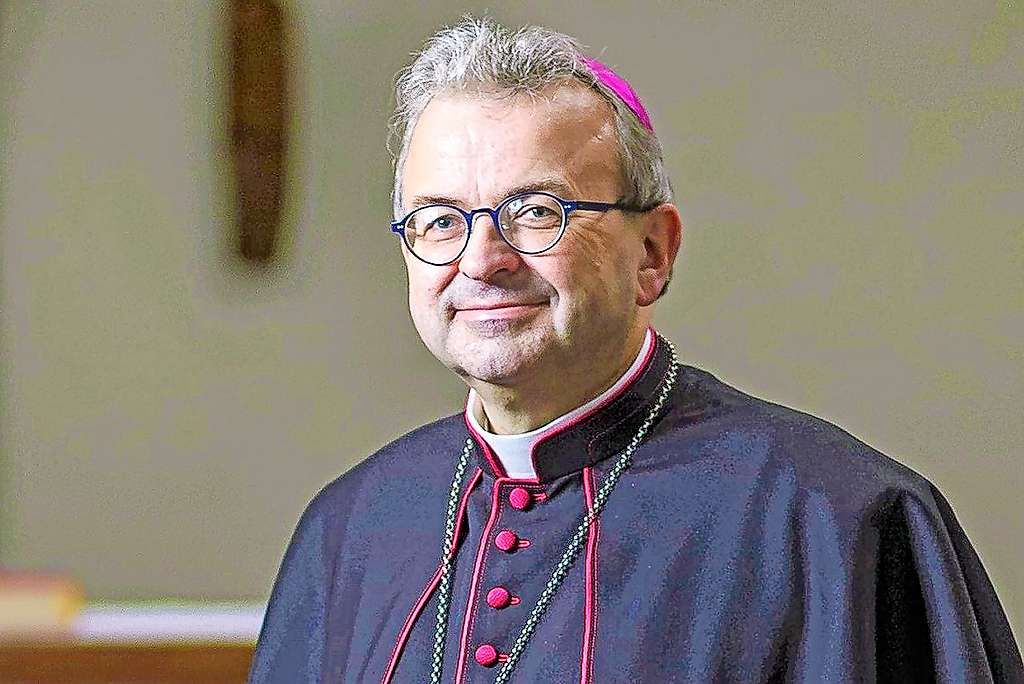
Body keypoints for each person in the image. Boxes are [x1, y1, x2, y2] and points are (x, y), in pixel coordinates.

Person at [248, 16, 1023, 684]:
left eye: (535, 210)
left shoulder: (840, 518)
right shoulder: (349, 528)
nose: (482, 259)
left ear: (652, 250)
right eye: (441, 220)